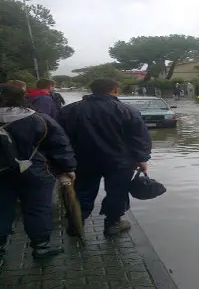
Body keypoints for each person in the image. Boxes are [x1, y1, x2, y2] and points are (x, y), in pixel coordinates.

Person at [57, 78, 152, 237]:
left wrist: (63, 162)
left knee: (82, 191)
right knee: (117, 192)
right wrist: (142, 158)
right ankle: (113, 224)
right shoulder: (127, 110)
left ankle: (76, 224)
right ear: (114, 90)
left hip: (83, 160)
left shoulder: (70, 110)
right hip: (119, 162)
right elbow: (139, 137)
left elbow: (60, 138)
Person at [0, 83, 76, 260]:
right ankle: (41, 247)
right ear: (23, 96)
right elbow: (60, 146)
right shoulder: (38, 119)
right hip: (36, 172)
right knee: (38, 208)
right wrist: (68, 169)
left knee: (1, 209)